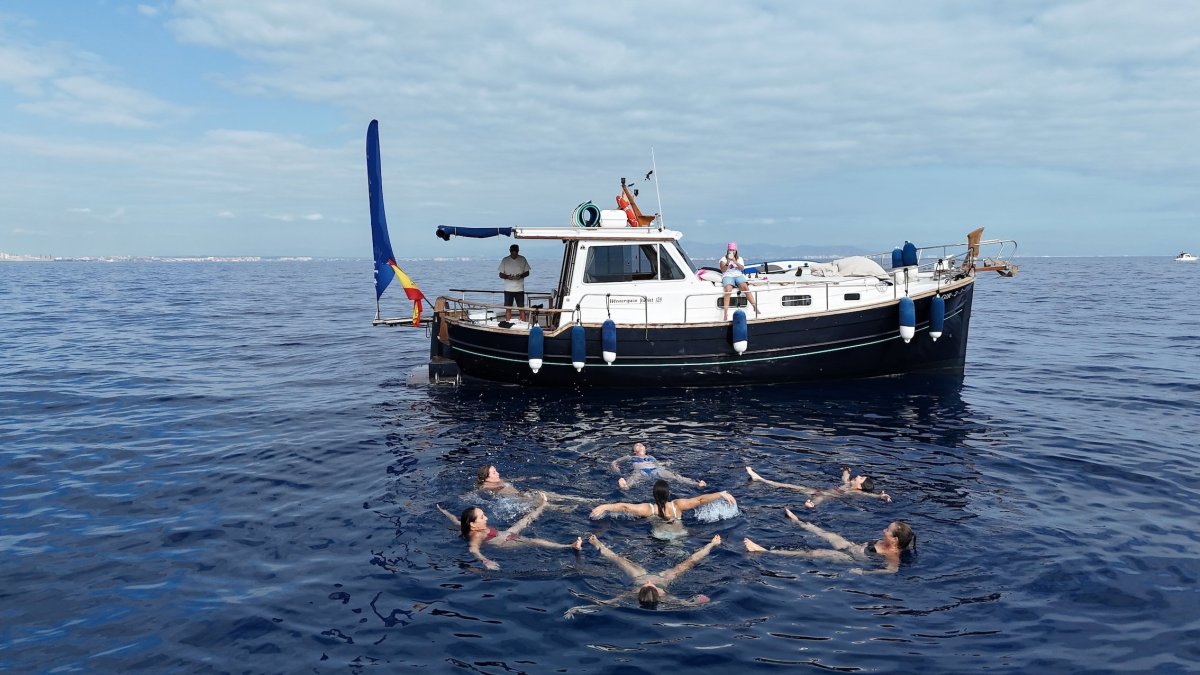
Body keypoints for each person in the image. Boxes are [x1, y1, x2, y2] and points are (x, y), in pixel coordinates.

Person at [564, 534, 721, 618]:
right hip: (665, 579)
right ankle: (712, 545)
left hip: (637, 576)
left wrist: (578, 608)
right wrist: (700, 600)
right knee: (688, 562)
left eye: (645, 584)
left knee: (620, 561)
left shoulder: (632, 593)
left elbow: (605, 603)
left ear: (640, 590)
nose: (648, 581)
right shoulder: (665, 595)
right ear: (656, 590)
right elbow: (686, 604)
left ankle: (600, 546)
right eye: (649, 584)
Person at [743, 507, 915, 574]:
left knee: (813, 552)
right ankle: (798, 521)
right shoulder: (887, 542)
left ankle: (765, 551)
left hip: (850, 558)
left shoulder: (893, 555)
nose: (883, 530)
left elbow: (891, 571)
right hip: (851, 547)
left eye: (887, 530)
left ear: (894, 540)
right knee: (826, 533)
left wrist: (863, 572)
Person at [436, 492, 582, 570]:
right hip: (507, 542)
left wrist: (442, 511)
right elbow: (474, 550)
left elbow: (455, 520)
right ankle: (569, 546)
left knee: (525, 520)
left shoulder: (467, 525)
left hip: (506, 533)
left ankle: (542, 505)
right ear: (473, 525)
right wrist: (486, 561)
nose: (486, 518)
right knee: (535, 541)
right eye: (482, 517)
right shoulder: (476, 535)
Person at [590, 479, 737, 539]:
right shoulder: (677, 505)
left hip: (658, 537)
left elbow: (624, 507)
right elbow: (700, 500)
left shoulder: (649, 509)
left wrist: (604, 506)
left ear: (653, 495)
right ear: (669, 493)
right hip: (680, 535)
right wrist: (721, 494)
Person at [745, 465, 891, 508]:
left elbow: (868, 495)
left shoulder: (855, 493)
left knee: (817, 500)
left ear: (859, 487)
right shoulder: (848, 483)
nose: (858, 476)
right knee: (789, 485)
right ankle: (760, 479)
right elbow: (845, 477)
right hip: (817, 491)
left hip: (825, 496)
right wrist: (846, 470)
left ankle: (811, 507)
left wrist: (881, 496)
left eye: (860, 478)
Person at [475, 464, 594, 506]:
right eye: (494, 472)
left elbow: (516, 479)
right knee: (543, 502)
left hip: (523, 495)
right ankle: (565, 509)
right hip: (516, 500)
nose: (498, 473)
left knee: (548, 494)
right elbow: (475, 492)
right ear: (486, 478)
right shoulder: (485, 487)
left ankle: (581, 500)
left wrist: (530, 477)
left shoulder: (500, 480)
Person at [611, 442, 706, 491]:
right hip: (641, 471)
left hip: (657, 470)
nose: (639, 445)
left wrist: (666, 463)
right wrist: (615, 467)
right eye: (637, 445)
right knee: (633, 478)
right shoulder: (630, 457)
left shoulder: (651, 457)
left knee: (675, 476)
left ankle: (697, 484)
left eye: (641, 445)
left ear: (645, 448)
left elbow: (657, 464)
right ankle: (625, 487)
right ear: (634, 451)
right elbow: (614, 462)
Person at [720, 242, 759, 320]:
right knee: (728, 290)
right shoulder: (723, 259)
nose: (732, 252)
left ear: (736, 250)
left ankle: (755, 306)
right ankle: (725, 313)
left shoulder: (739, 258)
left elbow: (742, 268)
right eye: (730, 250)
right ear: (727, 250)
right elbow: (723, 270)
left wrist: (735, 261)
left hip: (738, 275)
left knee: (745, 288)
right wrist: (728, 262)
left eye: (733, 250)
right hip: (727, 275)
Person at [498, 243, 530, 322]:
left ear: (518, 251)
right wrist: (508, 277)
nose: (514, 254)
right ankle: (507, 323)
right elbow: (500, 274)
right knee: (508, 309)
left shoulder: (522, 259)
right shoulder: (505, 260)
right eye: (513, 252)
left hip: (519, 289)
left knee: (521, 309)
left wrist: (520, 276)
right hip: (508, 289)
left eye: (516, 252)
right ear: (510, 251)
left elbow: (527, 272)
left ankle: (523, 324)